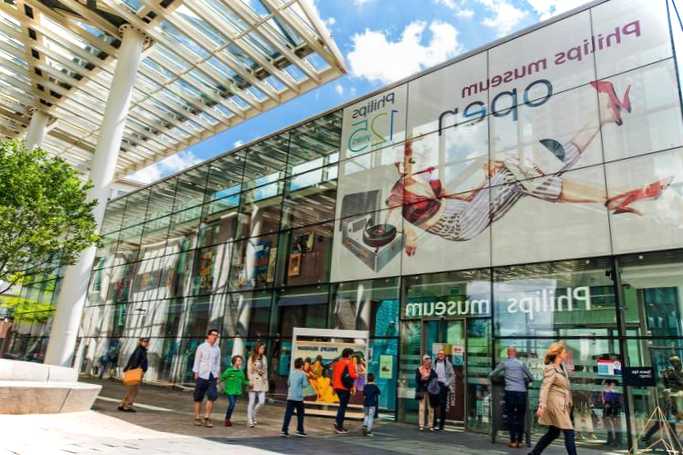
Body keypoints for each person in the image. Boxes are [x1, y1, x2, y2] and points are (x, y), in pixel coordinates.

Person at [384, 81, 672, 256]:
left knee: (523, 170)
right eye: (410, 159)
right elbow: (391, 221)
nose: (416, 163)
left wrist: (485, 183)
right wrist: (409, 234)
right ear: (399, 163)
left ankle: (604, 118)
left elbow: (459, 198)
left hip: (469, 211)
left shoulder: (430, 179)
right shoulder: (399, 192)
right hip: (459, 226)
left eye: (417, 157)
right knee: (520, 169)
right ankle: (613, 190)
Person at [529, 342, 576, 455]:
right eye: (564, 352)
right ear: (558, 354)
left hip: (563, 403)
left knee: (553, 432)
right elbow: (545, 387)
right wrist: (541, 405)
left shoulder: (562, 367)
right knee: (569, 431)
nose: (566, 354)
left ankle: (534, 453)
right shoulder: (551, 368)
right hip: (556, 404)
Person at [490, 346, 534, 448]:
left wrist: (501, 378)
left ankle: (513, 441)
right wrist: (524, 381)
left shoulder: (504, 363)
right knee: (520, 417)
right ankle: (520, 441)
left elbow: (492, 374)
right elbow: (531, 377)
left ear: (507, 353)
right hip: (521, 393)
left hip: (510, 393)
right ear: (516, 353)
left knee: (511, 416)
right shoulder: (521, 363)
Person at [192, 329, 221, 428]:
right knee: (198, 397)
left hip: (212, 375)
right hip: (202, 374)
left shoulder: (217, 349)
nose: (215, 337)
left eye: (216, 335)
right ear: (208, 336)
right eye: (213, 335)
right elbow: (197, 360)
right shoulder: (201, 347)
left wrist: (217, 374)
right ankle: (197, 417)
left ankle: (207, 417)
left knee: (212, 396)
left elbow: (217, 363)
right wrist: (196, 372)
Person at [118, 337, 149, 412]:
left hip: (133, 371)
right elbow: (135, 361)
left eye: (147, 341)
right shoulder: (140, 350)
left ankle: (122, 404)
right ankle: (127, 406)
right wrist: (139, 371)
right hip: (135, 372)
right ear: (140, 342)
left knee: (130, 390)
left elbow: (132, 360)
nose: (146, 343)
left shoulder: (140, 350)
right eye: (145, 341)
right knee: (134, 391)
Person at [332, 348, 358, 434]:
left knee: (341, 406)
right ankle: (338, 424)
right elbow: (352, 375)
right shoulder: (349, 362)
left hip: (337, 387)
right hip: (344, 387)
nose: (352, 356)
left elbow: (334, 375)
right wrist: (356, 374)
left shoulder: (338, 363)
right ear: (349, 355)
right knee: (343, 406)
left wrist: (334, 388)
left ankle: (339, 424)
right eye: (352, 355)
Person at [280, 357, 308, 438]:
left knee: (288, 414)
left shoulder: (291, 373)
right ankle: (300, 430)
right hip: (298, 397)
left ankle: (284, 430)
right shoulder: (303, 374)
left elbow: (288, 383)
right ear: (302, 365)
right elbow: (305, 385)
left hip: (290, 396)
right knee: (301, 414)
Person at [220, 355, 248, 427]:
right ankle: (227, 419)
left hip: (236, 391)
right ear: (234, 362)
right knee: (232, 404)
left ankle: (228, 419)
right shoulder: (229, 370)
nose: (240, 362)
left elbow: (243, 381)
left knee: (232, 405)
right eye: (238, 360)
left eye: (240, 360)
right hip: (229, 391)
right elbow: (222, 378)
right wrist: (215, 383)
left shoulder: (241, 372)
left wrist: (250, 383)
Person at [247, 342, 269, 428]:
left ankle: (253, 414)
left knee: (262, 401)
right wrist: (250, 380)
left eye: (264, 348)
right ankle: (250, 420)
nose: (263, 350)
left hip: (262, 382)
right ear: (257, 348)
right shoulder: (251, 358)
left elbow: (265, 370)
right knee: (251, 402)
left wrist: (265, 380)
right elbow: (249, 371)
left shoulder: (264, 358)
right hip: (253, 381)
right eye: (261, 348)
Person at [432, 349, 455, 431]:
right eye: (439, 354)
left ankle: (441, 425)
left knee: (443, 405)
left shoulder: (448, 364)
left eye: (442, 354)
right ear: (437, 355)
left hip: (443, 385)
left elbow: (453, 375)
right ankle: (434, 424)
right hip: (435, 385)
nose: (440, 355)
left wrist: (447, 383)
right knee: (434, 405)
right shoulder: (434, 362)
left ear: (444, 356)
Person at [415, 354, 438, 431]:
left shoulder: (432, 370)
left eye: (429, 362)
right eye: (426, 361)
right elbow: (417, 380)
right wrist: (422, 378)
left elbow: (435, 378)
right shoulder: (419, 369)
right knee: (422, 408)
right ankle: (421, 425)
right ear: (423, 362)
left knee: (431, 408)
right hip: (422, 390)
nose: (428, 363)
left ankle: (430, 425)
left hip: (430, 391)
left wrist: (427, 378)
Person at [602, 379, 622, 447]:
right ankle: (610, 440)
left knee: (615, 425)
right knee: (609, 425)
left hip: (614, 409)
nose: (604, 386)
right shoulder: (606, 391)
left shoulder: (616, 392)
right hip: (608, 409)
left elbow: (618, 401)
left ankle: (617, 441)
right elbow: (604, 400)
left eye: (605, 385)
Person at [362, 372, 381, 437]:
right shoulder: (375, 386)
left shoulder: (365, 386)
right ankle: (369, 431)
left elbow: (364, 396)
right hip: (372, 404)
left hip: (366, 403)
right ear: (374, 379)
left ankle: (364, 425)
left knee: (366, 416)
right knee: (371, 417)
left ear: (367, 379)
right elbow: (379, 393)